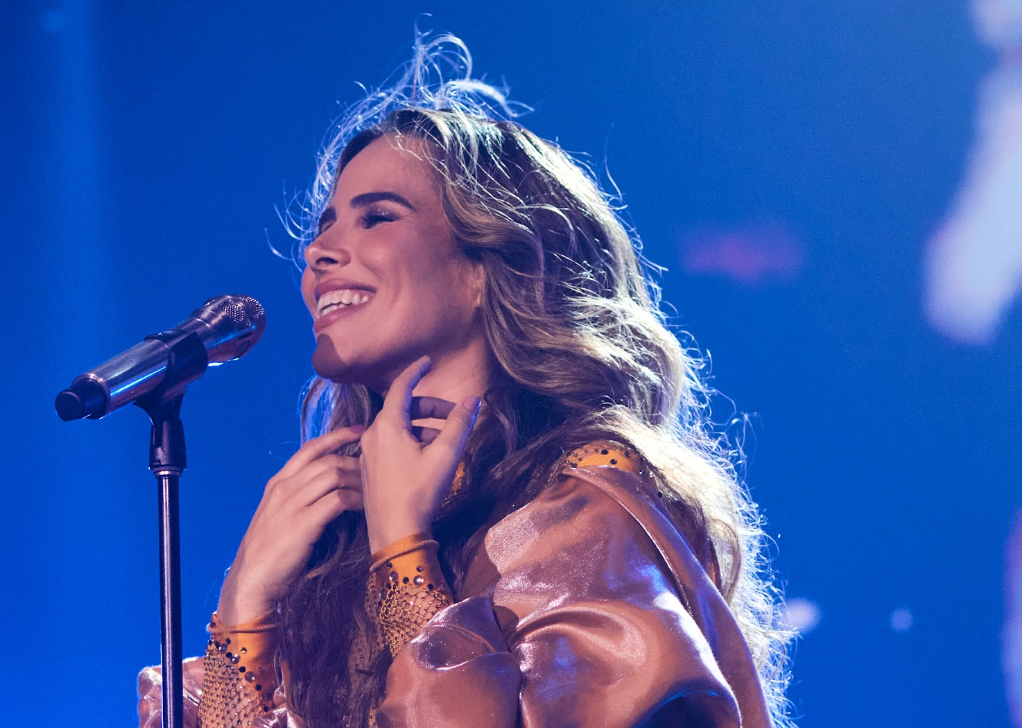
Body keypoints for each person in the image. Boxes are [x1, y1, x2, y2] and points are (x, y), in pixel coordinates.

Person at [138, 34, 793, 728]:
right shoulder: (331, 544)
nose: (319, 251)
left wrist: (404, 552)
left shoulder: (588, 510)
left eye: (377, 217)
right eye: (324, 226)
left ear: (489, 266)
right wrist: (244, 609)